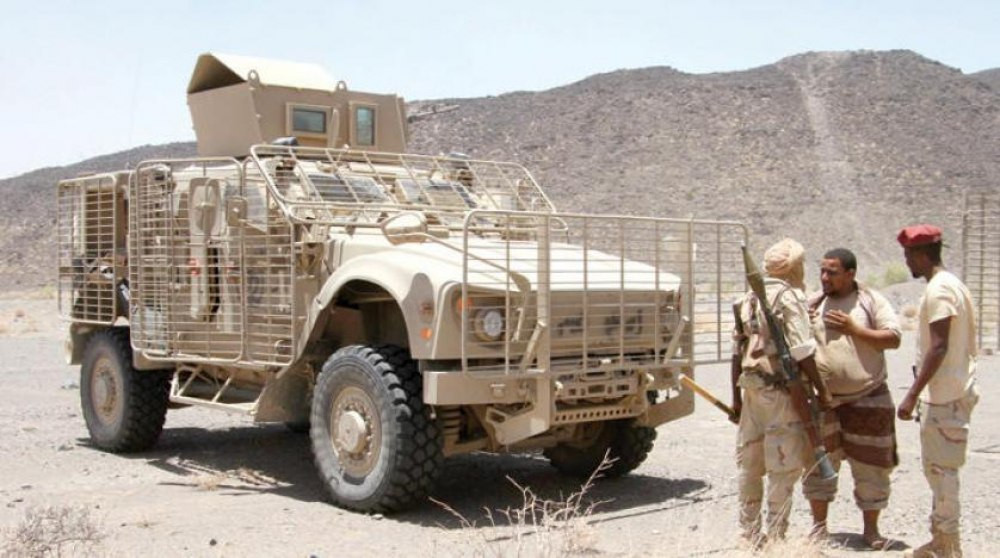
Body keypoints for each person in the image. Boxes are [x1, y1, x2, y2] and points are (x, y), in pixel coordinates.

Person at [802, 248, 901, 549]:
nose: (824, 277)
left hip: (868, 397)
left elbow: (894, 338)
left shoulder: (871, 301)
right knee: (819, 464)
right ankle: (819, 529)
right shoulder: (814, 304)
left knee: (872, 465)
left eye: (832, 272)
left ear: (850, 273)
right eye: (822, 271)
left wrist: (854, 329)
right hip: (824, 402)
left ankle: (871, 531)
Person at [731, 238, 828, 545]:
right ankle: (775, 537)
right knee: (782, 467)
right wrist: (821, 389)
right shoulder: (789, 296)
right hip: (783, 393)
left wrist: (735, 400)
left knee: (750, 465)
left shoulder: (746, 299)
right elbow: (801, 351)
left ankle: (748, 533)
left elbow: (737, 352)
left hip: (751, 391)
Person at [896, 224, 978, 558]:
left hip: (946, 395)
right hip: (949, 392)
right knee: (938, 469)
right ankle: (940, 540)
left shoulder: (941, 290)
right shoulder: (950, 284)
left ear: (920, 254)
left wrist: (912, 394)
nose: (906, 262)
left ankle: (948, 545)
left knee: (943, 473)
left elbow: (939, 346)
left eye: (908, 255)